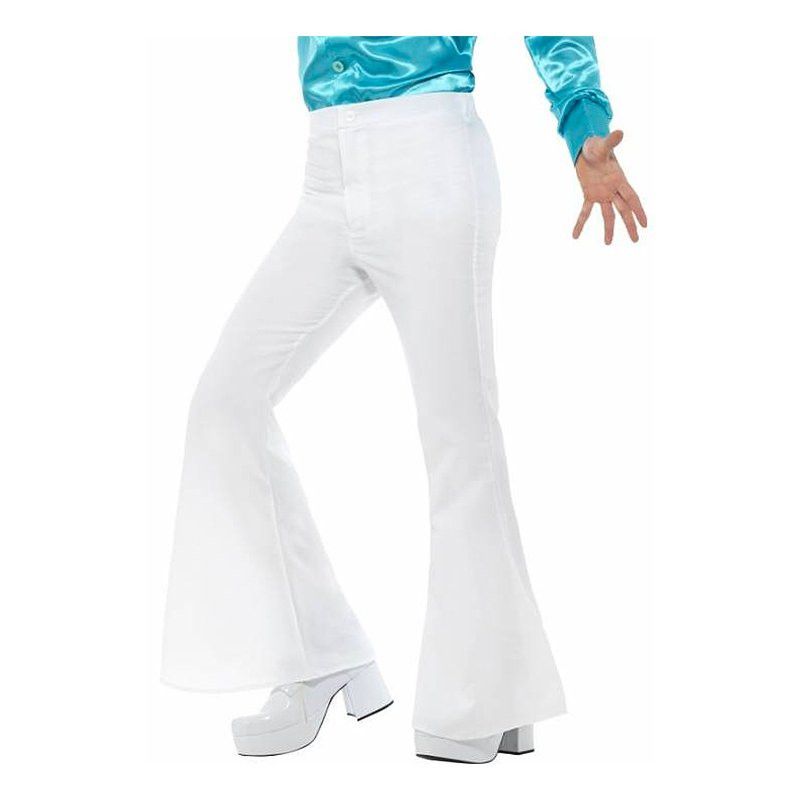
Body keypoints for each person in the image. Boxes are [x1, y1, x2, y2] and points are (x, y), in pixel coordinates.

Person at [161, 36, 647, 764]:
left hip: (428, 155)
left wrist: (583, 122)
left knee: (460, 440)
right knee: (224, 402)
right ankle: (319, 653)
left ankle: (483, 696)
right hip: (327, 170)